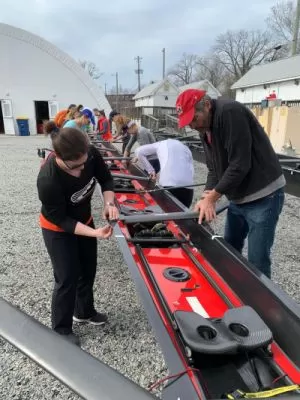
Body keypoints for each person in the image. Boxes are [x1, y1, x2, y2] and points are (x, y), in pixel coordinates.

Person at [175, 89, 285, 279]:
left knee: (257, 260)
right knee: (230, 247)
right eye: (189, 122)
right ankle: (233, 291)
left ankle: (261, 305)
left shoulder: (230, 113)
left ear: (207, 105)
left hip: (263, 195)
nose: (192, 125)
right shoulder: (205, 128)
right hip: (238, 196)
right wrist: (205, 197)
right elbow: (213, 169)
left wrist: (213, 197)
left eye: (194, 118)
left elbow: (240, 164)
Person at [37, 124, 119, 346]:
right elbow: (61, 220)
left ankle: (84, 312)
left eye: (85, 163)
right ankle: (61, 329)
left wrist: (109, 203)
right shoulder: (48, 179)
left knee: (87, 270)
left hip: (85, 220)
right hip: (57, 229)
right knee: (66, 277)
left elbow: (106, 178)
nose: (82, 170)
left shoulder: (89, 153)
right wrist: (94, 233)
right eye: (76, 167)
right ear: (60, 158)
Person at [135, 139, 194, 207]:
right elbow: (191, 169)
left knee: (167, 214)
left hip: (169, 184)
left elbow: (139, 151)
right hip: (189, 189)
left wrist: (151, 171)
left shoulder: (160, 144)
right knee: (182, 214)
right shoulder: (186, 149)